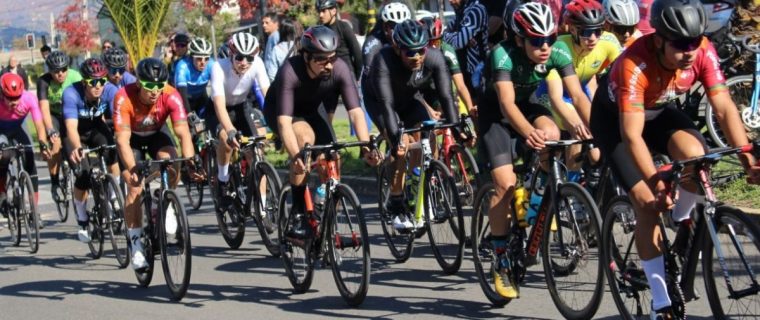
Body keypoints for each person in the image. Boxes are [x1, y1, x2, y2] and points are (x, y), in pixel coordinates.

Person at [589, 0, 760, 317]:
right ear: (658, 39)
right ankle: (660, 300)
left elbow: (723, 107)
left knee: (698, 157)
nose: (691, 50)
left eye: (695, 41)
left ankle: (683, 222)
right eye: (681, 44)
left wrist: (748, 156)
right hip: (617, 124)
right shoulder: (634, 64)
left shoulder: (703, 50)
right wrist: (655, 182)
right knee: (646, 202)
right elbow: (632, 136)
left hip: (658, 110)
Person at [481, 2, 591, 299]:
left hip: (528, 105)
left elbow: (577, 96)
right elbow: (506, 104)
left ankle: (535, 193)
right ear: (519, 39)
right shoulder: (502, 53)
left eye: (550, 39)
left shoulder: (557, 52)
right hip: (496, 116)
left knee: (553, 135)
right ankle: (500, 258)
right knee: (504, 184)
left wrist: (596, 130)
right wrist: (528, 133)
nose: (545, 46)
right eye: (536, 41)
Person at [264, 26, 379, 238]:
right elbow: (284, 123)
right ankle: (298, 213)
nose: (328, 64)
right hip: (282, 112)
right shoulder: (290, 71)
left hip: (312, 110)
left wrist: (365, 147)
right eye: (321, 59)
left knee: (333, 157)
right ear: (306, 56)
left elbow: (355, 112)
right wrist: (295, 155)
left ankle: (326, 220)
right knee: (305, 141)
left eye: (332, 58)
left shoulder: (340, 68)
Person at [364, 20, 462, 229]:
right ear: (398, 48)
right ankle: (396, 201)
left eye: (421, 50)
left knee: (429, 138)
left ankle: (416, 184)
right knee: (401, 146)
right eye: (410, 52)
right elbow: (387, 105)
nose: (417, 57)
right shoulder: (383, 60)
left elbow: (446, 95)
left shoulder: (435, 58)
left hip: (409, 98)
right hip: (381, 102)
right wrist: (396, 138)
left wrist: (458, 128)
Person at [113, 58, 197, 270]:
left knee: (173, 159)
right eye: (150, 86)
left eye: (159, 86)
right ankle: (136, 245)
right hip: (131, 139)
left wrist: (191, 162)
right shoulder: (123, 97)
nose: (154, 91)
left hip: (156, 135)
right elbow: (122, 141)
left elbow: (183, 133)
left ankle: (167, 201)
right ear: (140, 83)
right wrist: (133, 169)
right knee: (134, 187)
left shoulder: (170, 94)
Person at [532, 0, 619, 176]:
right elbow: (557, 98)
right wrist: (577, 123)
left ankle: (576, 188)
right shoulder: (558, 48)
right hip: (551, 94)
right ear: (572, 30)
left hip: (580, 92)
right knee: (578, 133)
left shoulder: (609, 42)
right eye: (587, 32)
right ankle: (558, 189)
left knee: (596, 154)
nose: (593, 38)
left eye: (597, 31)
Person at [209, 32, 270, 210]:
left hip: (241, 107)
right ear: (231, 54)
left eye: (249, 58)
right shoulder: (218, 67)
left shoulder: (257, 64)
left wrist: (279, 121)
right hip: (219, 110)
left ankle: (263, 206)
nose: (244, 62)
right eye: (240, 57)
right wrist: (230, 130)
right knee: (226, 141)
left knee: (256, 152)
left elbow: (268, 93)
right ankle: (222, 180)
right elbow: (219, 105)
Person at [62, 58, 121, 243]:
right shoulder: (71, 93)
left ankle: (114, 197)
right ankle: (82, 218)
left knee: (113, 154)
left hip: (96, 128)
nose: (98, 86)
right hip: (75, 133)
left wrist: (122, 138)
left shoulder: (111, 90)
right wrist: (78, 148)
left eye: (102, 81)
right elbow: (71, 127)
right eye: (93, 82)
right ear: (84, 82)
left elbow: (119, 120)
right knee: (84, 175)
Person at [37, 51, 83, 208]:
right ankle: (55, 182)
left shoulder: (75, 76)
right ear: (50, 71)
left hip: (71, 116)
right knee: (55, 141)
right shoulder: (43, 81)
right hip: (54, 116)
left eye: (64, 69)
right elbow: (44, 108)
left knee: (76, 164)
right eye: (56, 71)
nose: (61, 74)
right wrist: (50, 129)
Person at [0, 73, 50, 209]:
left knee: (30, 158)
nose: (14, 102)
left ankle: (34, 208)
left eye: (17, 97)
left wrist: (43, 144)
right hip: (1, 131)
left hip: (19, 128)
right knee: (3, 156)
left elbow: (39, 125)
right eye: (9, 98)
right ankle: (2, 192)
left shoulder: (29, 98)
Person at [442, 0, 489, 105]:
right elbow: (443, 36)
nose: (450, 1)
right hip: (466, 72)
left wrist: (458, 37)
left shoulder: (476, 10)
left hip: (478, 73)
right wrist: (458, 36)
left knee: (479, 109)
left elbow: (458, 42)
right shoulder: (461, 12)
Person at [361, 1, 411, 82]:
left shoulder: (411, 37)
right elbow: (371, 79)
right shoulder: (373, 44)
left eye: (403, 25)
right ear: (385, 27)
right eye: (393, 26)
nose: (398, 30)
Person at [316, 0, 363, 80]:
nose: (321, 15)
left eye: (324, 11)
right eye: (319, 11)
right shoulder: (319, 30)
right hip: (328, 77)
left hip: (346, 74)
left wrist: (356, 76)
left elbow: (357, 53)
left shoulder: (343, 27)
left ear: (334, 11)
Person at [175, 37, 215, 117]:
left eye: (206, 59)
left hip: (201, 98)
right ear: (191, 57)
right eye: (199, 59)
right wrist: (189, 113)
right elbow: (182, 94)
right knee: (190, 125)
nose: (203, 63)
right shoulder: (183, 66)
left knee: (211, 119)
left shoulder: (211, 64)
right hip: (184, 99)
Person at [262, 12, 281, 81]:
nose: (264, 25)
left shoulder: (276, 36)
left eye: (267, 23)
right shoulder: (271, 36)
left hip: (275, 77)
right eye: (263, 23)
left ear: (275, 23)